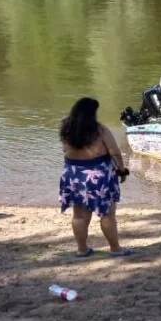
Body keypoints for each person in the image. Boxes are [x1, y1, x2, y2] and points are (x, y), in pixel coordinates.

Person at [59, 97, 132, 258]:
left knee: (79, 215)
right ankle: (115, 248)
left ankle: (82, 249)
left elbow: (65, 148)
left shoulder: (64, 126)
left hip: (73, 174)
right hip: (99, 175)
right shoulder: (100, 130)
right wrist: (121, 170)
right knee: (107, 214)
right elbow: (115, 152)